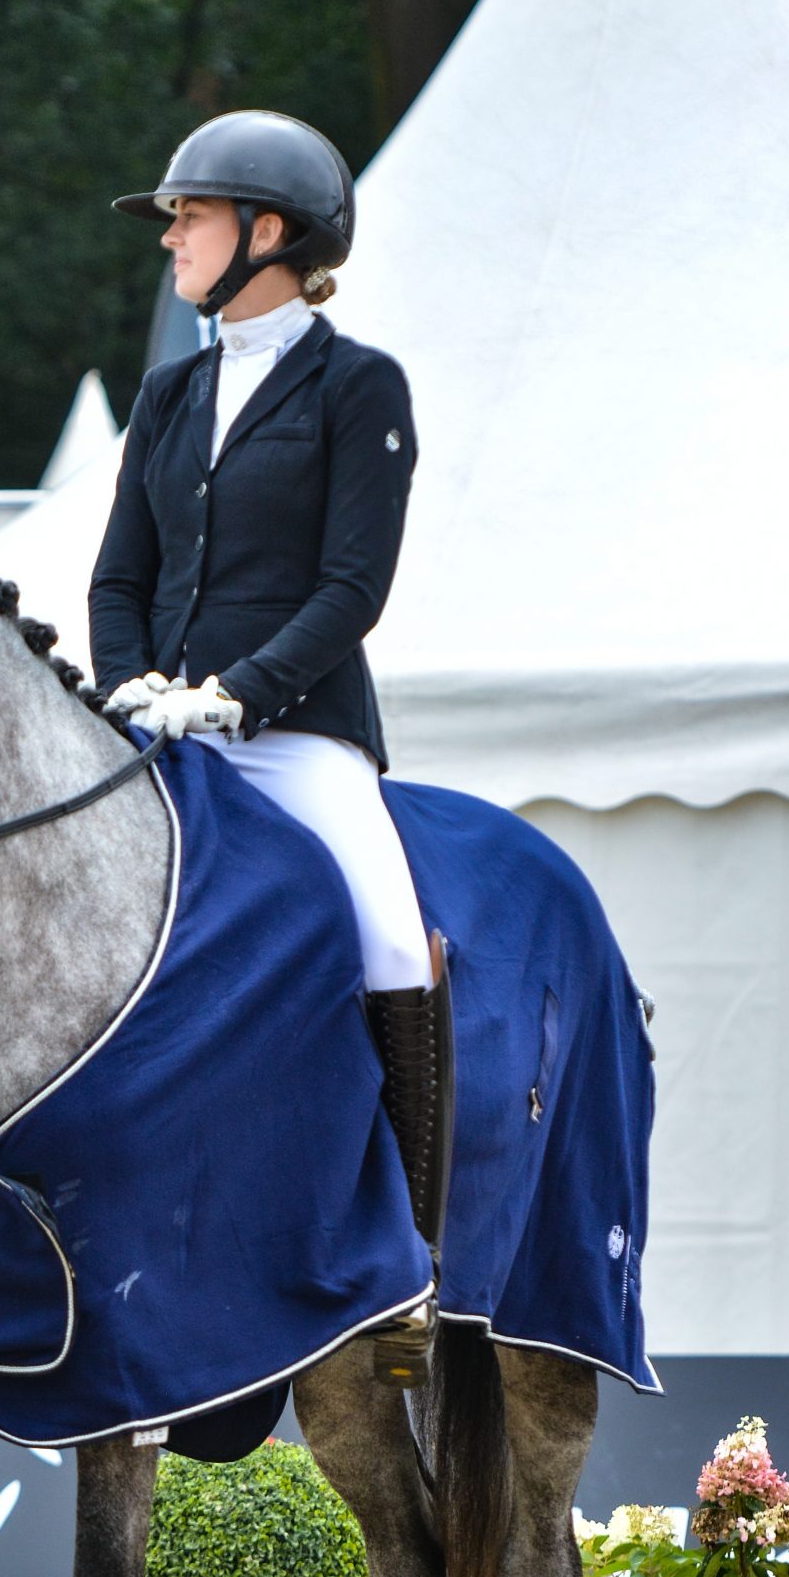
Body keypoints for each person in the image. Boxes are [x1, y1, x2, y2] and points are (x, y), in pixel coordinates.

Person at [89, 108, 451, 1378]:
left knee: (389, 935)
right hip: (165, 735)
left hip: (296, 735)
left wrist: (240, 693)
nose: (171, 237)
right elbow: (120, 575)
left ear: (269, 232)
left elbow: (354, 587)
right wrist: (130, 684)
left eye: (189, 216)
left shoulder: (359, 387)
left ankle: (411, 1257)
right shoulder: (169, 391)